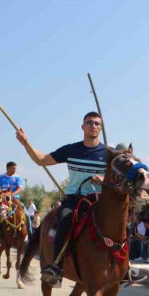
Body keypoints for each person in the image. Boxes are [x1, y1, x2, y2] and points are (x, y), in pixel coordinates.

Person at [15, 111, 109, 283]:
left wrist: (104, 179)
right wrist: (25, 143)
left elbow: (116, 179)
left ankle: (124, 267)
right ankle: (56, 267)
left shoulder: (108, 153)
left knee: (118, 222)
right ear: (83, 126)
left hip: (99, 201)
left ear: (101, 128)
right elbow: (41, 159)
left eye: (97, 123)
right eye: (90, 123)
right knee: (64, 220)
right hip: (75, 200)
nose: (93, 126)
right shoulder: (71, 150)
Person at [0, 161, 29, 238]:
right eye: (13, 168)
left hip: (15, 200)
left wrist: (12, 194)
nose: (15, 170)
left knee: (27, 215)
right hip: (3, 202)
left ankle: (30, 234)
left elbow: (20, 188)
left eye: (15, 168)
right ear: (8, 168)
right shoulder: (0, 177)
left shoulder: (17, 177)